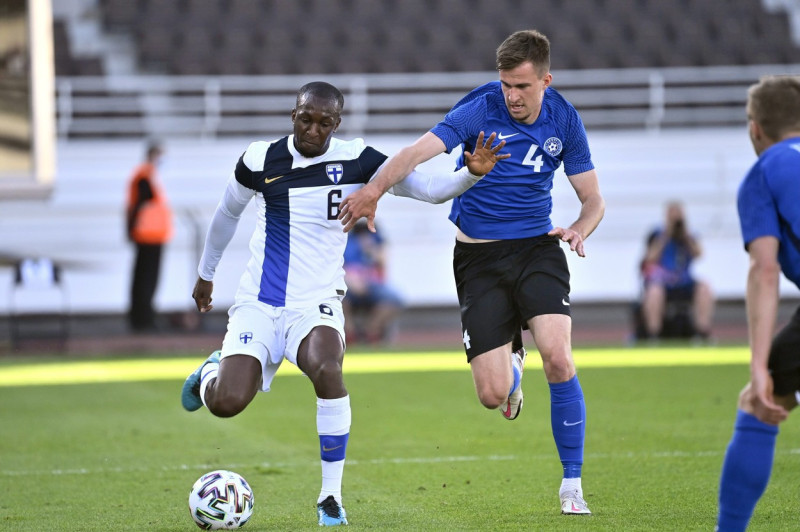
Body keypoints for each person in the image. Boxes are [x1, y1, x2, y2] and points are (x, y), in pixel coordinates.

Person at [179, 81, 508, 527]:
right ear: (292, 115)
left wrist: (470, 173)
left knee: (327, 369)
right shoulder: (260, 159)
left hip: (315, 302)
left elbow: (428, 190)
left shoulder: (360, 159)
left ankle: (329, 498)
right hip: (259, 301)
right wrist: (206, 272)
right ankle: (209, 374)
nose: (314, 129)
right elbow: (226, 214)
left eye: (325, 122)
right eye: (305, 118)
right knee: (226, 403)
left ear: (337, 123)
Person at [338, 30, 604, 515]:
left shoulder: (564, 119)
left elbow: (592, 200)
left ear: (546, 79)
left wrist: (581, 229)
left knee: (560, 359)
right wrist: (374, 190)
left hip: (537, 250)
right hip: (478, 259)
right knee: (491, 395)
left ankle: (572, 485)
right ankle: (513, 368)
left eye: (522, 86)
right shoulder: (481, 107)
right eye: (506, 84)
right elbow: (414, 154)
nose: (512, 96)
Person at [716, 75, 800, 531]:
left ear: (755, 128)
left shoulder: (764, 172)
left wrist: (758, 366)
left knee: (758, 401)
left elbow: (765, 271)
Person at [639, 201, 715, 340]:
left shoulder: (689, 235)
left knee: (705, 288)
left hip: (684, 281)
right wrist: (666, 235)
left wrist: (685, 235)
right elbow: (650, 258)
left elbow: (699, 254)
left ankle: (702, 332)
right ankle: (653, 333)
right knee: (654, 291)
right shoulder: (657, 234)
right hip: (663, 281)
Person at [125, 140, 172, 331]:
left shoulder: (147, 175)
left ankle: (143, 316)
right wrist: (130, 229)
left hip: (152, 235)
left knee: (144, 278)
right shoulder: (145, 176)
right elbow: (140, 203)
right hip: (148, 235)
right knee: (146, 279)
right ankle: (143, 318)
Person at [342, 219, 404, 344]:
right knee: (338, 298)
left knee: (395, 299)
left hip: (373, 285)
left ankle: (371, 331)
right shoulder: (346, 240)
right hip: (349, 284)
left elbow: (382, 264)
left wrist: (370, 249)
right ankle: (349, 333)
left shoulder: (376, 239)